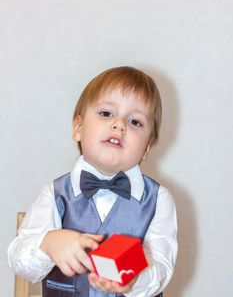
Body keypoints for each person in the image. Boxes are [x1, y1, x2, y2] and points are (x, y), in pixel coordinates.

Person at [8, 66, 178, 297]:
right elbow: (18, 258)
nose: (119, 125)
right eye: (106, 113)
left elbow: (161, 268)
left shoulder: (158, 200)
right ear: (78, 127)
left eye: (135, 122)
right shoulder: (54, 195)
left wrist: (136, 277)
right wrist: (47, 244)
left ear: (146, 148)